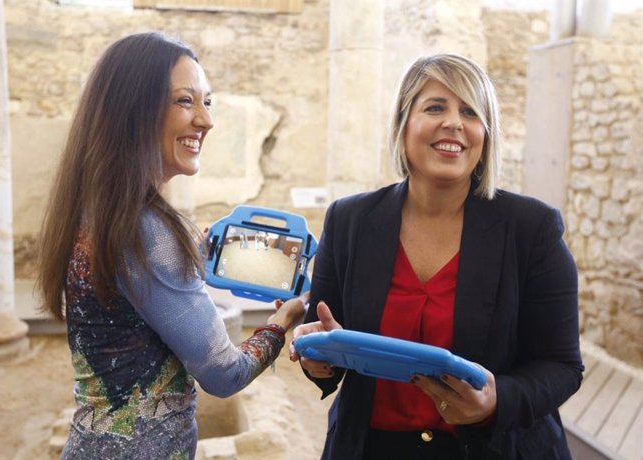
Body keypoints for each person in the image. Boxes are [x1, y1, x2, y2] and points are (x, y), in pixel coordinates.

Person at [290, 53, 583, 459]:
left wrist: (496, 402)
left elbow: (562, 366)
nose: (454, 122)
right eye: (435, 107)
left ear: (486, 133)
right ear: (403, 124)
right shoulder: (350, 219)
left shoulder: (532, 229)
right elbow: (324, 339)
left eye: (470, 111)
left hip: (493, 448)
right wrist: (317, 358)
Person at [36, 32, 307, 459]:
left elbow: (133, 300)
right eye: (185, 101)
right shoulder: (147, 232)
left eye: (208, 101)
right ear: (133, 112)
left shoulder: (95, 214)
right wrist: (281, 323)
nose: (206, 120)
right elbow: (225, 374)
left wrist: (189, 254)